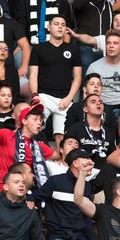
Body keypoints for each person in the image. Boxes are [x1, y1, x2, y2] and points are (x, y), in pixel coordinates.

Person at [27, 148, 99, 240]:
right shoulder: (55, 181)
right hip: (59, 237)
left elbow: (86, 216)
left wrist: (92, 238)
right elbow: (36, 196)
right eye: (86, 159)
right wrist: (30, 199)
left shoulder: (86, 186)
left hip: (80, 238)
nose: (90, 162)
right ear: (75, 163)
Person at [30, 15, 82, 146]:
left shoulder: (73, 49)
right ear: (48, 27)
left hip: (64, 98)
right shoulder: (38, 48)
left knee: (62, 137)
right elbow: (33, 75)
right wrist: (35, 95)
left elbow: (77, 77)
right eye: (56, 24)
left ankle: (62, 162)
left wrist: (69, 98)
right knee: (34, 127)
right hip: (43, 96)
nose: (60, 27)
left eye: (63, 25)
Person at [87, 29, 120, 111]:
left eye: (115, 43)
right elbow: (87, 93)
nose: (111, 46)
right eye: (108, 43)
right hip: (102, 107)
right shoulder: (94, 67)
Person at [64, 94, 116, 169]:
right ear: (85, 109)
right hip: (80, 171)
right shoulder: (74, 129)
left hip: (103, 174)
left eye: (101, 102)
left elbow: (112, 157)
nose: (98, 104)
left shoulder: (109, 132)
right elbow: (67, 152)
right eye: (93, 102)